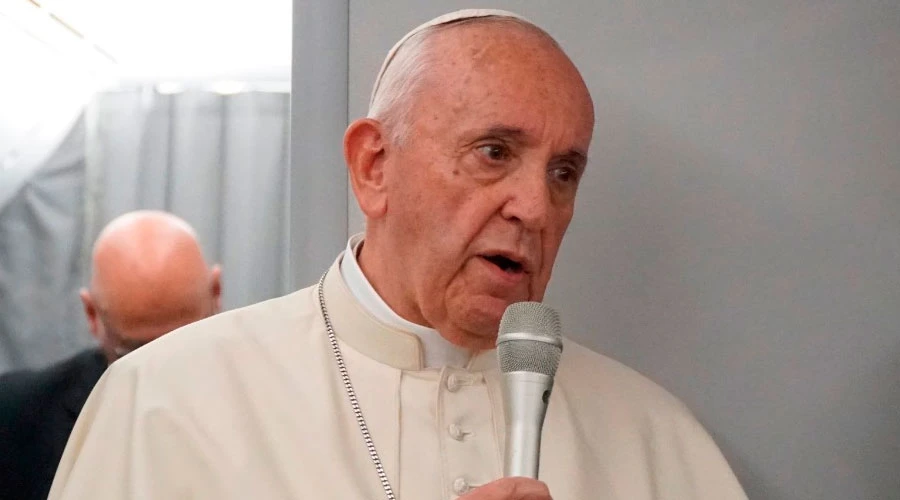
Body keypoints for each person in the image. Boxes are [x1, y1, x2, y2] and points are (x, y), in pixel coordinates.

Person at [48, 10, 747, 500]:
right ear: (374, 167)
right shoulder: (165, 404)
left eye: (563, 173)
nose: (534, 208)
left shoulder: (655, 438)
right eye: (493, 153)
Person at [0, 210, 221, 500]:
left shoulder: (270, 398)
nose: (159, 368)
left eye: (183, 344)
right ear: (91, 315)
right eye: (134, 352)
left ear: (216, 293)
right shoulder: (18, 418)